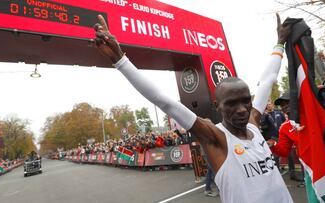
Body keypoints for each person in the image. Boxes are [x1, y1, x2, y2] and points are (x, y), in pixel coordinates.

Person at [94, 13, 293, 202]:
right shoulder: (215, 137)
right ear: (218, 106)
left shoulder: (253, 124)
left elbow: (267, 81)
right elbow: (165, 101)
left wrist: (279, 43)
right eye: (231, 103)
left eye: (245, 101)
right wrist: (120, 60)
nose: (241, 109)